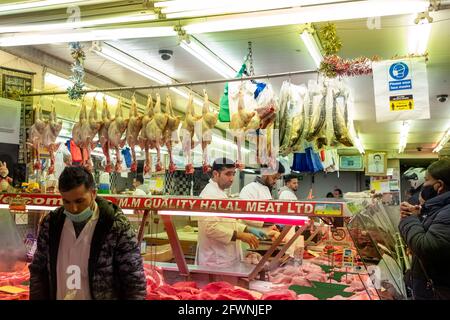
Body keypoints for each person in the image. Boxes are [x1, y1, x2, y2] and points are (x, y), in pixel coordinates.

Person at [29, 166, 146, 300]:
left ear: (93, 193)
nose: (73, 208)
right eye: (66, 202)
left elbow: (134, 278)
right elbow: (38, 270)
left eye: (79, 201)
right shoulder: (51, 224)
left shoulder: (115, 224)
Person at [399, 159, 450, 300]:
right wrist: (420, 215)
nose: (424, 185)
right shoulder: (440, 208)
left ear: (439, 185)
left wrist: (409, 218)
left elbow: (426, 247)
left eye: (427, 180)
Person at [196, 158, 260, 268]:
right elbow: (210, 228)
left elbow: (226, 222)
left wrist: (247, 229)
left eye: (233, 174)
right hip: (215, 261)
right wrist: (240, 235)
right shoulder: (209, 194)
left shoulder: (220, 193)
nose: (232, 179)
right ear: (216, 174)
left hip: (224, 257)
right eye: (228, 174)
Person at [240, 161, 285, 230]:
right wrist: (270, 222)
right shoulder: (249, 189)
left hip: (266, 234)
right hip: (252, 236)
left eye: (277, 179)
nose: (275, 181)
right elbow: (244, 215)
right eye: (274, 178)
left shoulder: (267, 190)